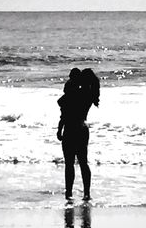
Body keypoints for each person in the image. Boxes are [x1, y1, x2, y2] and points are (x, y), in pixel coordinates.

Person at [57, 68, 100, 201]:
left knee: (69, 164)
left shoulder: (72, 94)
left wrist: (59, 130)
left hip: (70, 128)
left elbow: (64, 114)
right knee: (83, 162)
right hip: (83, 128)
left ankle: (69, 193)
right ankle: (87, 193)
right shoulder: (88, 95)